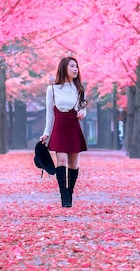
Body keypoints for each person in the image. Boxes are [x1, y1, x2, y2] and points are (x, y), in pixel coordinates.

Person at [40, 56, 88, 208]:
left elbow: (82, 107)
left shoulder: (80, 89)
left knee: (73, 163)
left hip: (73, 126)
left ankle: (70, 192)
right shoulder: (52, 89)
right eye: (72, 66)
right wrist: (46, 133)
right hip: (59, 126)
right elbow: (49, 113)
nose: (75, 69)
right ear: (64, 68)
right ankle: (64, 196)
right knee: (61, 160)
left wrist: (82, 113)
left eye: (76, 66)